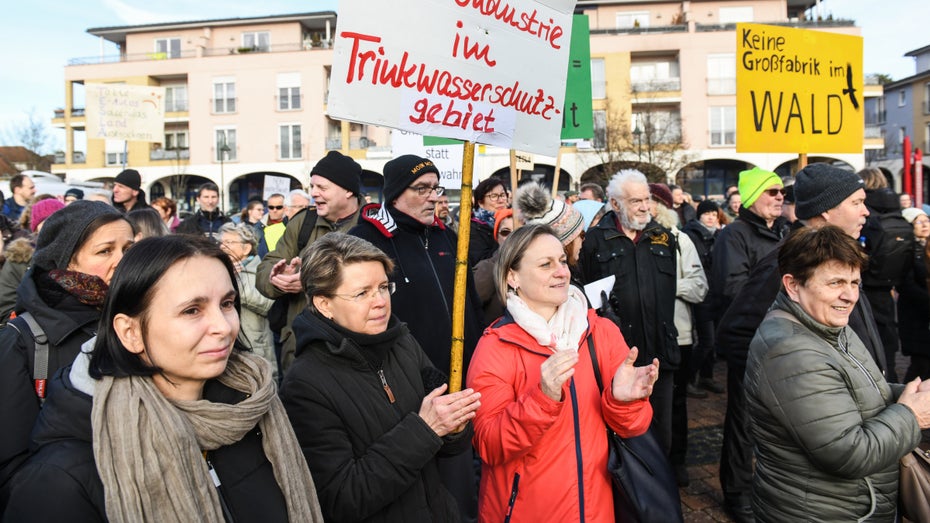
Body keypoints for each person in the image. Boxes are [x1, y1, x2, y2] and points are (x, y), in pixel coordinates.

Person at [1, 235, 324, 522]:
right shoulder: (61, 479)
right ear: (130, 332)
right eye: (192, 310)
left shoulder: (250, 412)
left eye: (227, 304)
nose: (224, 327)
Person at [715, 163, 876, 522]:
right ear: (826, 210)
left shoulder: (836, 254)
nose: (866, 211)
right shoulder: (788, 259)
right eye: (857, 202)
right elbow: (734, 331)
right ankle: (738, 495)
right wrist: (783, 375)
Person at [280, 233, 480, 521]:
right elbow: (340, 499)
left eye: (384, 288)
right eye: (362, 293)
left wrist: (456, 425)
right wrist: (425, 430)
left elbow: (451, 443)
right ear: (324, 304)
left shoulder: (402, 341)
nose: (380, 302)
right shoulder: (304, 385)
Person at [467, 224, 658, 522]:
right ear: (512, 277)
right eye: (546, 264)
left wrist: (624, 402)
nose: (561, 272)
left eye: (562, 261)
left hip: (596, 510)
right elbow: (489, 445)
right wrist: (542, 399)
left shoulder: (601, 332)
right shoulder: (496, 347)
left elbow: (634, 427)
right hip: (526, 513)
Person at [746, 225, 930, 522]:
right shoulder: (792, 352)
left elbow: (858, 391)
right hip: (827, 512)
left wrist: (915, 394)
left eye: (855, 282)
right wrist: (912, 415)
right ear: (793, 285)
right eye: (835, 283)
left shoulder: (826, 324)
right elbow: (849, 453)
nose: (850, 296)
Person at [349, 154, 484, 521]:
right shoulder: (365, 241)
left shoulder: (447, 237)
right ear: (395, 194)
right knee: (414, 493)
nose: (433, 197)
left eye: (435, 188)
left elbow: (470, 304)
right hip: (401, 391)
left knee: (460, 491)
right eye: (422, 189)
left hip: (458, 387)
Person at [0, 201, 133, 491]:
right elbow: (11, 462)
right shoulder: (23, 340)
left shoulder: (144, 318)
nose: (122, 260)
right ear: (66, 260)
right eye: (105, 251)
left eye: (128, 248)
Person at [580, 170, 678, 454]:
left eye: (647, 199)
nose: (645, 207)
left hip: (660, 352)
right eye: (636, 201)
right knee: (624, 436)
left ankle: (662, 480)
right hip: (618, 357)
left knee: (662, 433)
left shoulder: (663, 237)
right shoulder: (595, 241)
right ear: (615, 203)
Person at [256, 151, 364, 372]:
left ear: (348, 190)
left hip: (353, 348)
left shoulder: (372, 224)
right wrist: (277, 278)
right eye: (312, 186)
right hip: (300, 349)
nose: (314, 193)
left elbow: (377, 281)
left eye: (322, 187)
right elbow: (266, 267)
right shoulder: (302, 222)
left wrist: (309, 281)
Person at [649, 183, 707, 484]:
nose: (644, 207)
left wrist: (666, 285)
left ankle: (676, 460)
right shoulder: (628, 241)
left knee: (676, 401)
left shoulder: (680, 240)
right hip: (640, 335)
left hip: (677, 334)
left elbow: (699, 287)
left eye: (650, 201)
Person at [858, 167, 912, 382]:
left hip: (866, 283)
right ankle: (890, 381)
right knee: (887, 343)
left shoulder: (865, 208)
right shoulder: (895, 208)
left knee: (867, 341)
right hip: (888, 286)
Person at [219, 223, 278, 381]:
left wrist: (234, 283)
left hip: (255, 345)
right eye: (221, 242)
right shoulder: (220, 269)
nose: (223, 247)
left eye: (229, 242)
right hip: (229, 342)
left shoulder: (260, 270)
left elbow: (267, 304)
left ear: (246, 248)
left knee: (261, 382)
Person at [682, 199, 724, 396]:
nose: (711, 218)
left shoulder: (720, 235)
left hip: (717, 294)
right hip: (701, 294)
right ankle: (688, 379)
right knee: (706, 340)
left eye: (714, 214)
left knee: (713, 341)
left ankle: (706, 377)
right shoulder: (691, 234)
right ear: (699, 215)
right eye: (707, 214)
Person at [899, 207, 930, 381]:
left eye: (927, 220)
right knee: (921, 364)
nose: (924, 225)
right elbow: (907, 284)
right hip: (917, 315)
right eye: (918, 222)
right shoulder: (907, 249)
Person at [474, 208, 514, 327]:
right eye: (505, 232)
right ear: (497, 237)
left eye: (518, 231)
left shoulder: (533, 267)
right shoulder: (487, 269)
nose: (512, 237)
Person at [469, 178, 509, 267]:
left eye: (502, 195)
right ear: (480, 202)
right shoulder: (472, 229)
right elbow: (480, 263)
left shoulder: (515, 221)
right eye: (494, 196)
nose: (500, 200)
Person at [256, 193, 287, 257]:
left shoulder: (292, 224)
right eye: (271, 207)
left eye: (279, 207)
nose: (274, 210)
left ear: (285, 207)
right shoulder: (258, 228)